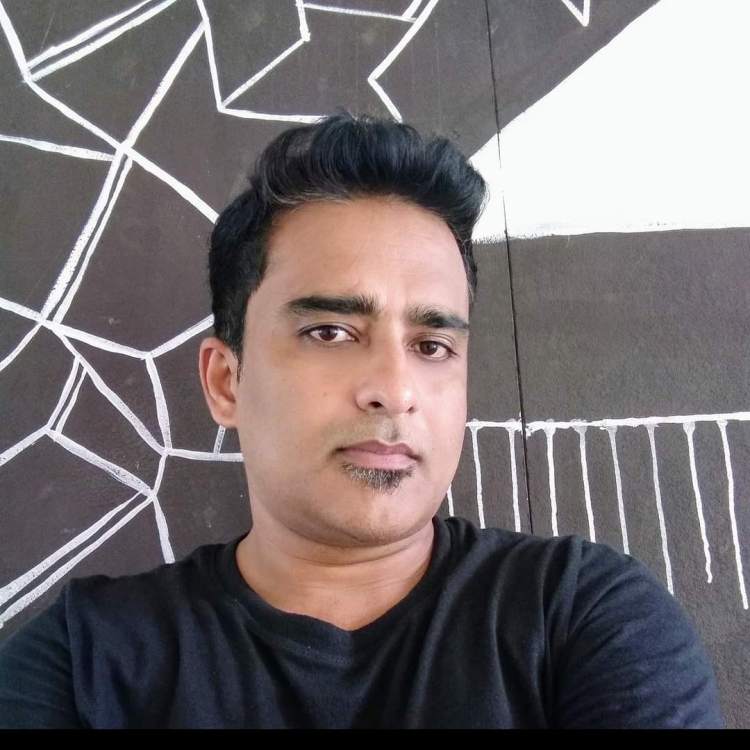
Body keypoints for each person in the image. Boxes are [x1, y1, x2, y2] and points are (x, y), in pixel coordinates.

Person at [0, 113, 723, 729]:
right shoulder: (84, 665)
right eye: (330, 332)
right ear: (226, 381)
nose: (395, 390)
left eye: (432, 346)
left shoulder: (581, 618)